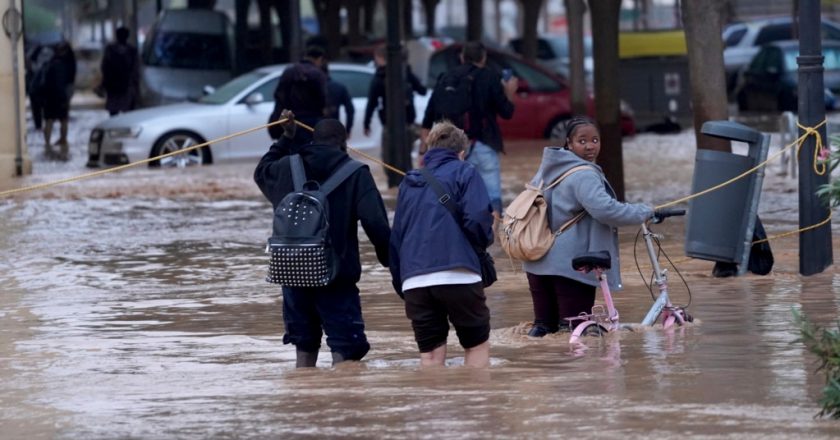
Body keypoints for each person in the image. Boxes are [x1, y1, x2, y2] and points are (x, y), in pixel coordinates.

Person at [254, 116, 391, 367]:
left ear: (313, 140)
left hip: (293, 276)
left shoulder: (285, 167)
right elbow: (377, 224)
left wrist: (286, 138)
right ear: (343, 143)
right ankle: (340, 402)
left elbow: (262, 170)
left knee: (304, 347)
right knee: (346, 351)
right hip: (336, 279)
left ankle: (306, 400)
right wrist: (391, 261)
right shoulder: (356, 173)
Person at [522, 116, 654, 337]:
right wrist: (644, 212)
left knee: (543, 332)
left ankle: (539, 371)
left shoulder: (546, 170)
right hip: (571, 267)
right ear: (569, 144)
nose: (590, 146)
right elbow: (606, 210)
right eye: (582, 141)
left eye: (595, 140)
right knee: (574, 333)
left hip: (536, 262)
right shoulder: (584, 174)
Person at [389, 121, 494, 367]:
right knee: (476, 346)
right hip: (459, 275)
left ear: (428, 149)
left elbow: (397, 237)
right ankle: (479, 404)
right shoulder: (466, 172)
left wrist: (402, 282)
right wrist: (482, 244)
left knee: (431, 357)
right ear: (461, 152)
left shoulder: (409, 181)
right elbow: (478, 220)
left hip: (415, 280)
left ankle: (434, 402)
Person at [421, 41, 517, 219]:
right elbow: (507, 112)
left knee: (456, 195)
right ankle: (494, 238)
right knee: (492, 196)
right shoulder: (490, 77)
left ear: (462, 57)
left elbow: (428, 117)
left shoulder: (446, 77)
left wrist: (424, 150)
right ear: (483, 57)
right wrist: (509, 93)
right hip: (483, 143)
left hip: (451, 148)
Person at [363, 45, 427, 188]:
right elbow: (422, 90)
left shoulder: (380, 76)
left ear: (380, 58)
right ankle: (409, 185)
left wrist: (366, 123)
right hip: (407, 124)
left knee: (389, 159)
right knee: (406, 158)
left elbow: (372, 102)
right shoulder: (406, 74)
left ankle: (395, 185)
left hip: (390, 126)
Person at [266, 47, 327, 142]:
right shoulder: (318, 74)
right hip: (311, 123)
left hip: (290, 121)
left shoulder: (288, 72)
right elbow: (324, 100)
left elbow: (279, 97)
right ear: (319, 59)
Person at [42, 41, 76, 161]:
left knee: (51, 120)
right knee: (62, 119)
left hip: (52, 96)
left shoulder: (53, 63)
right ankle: (59, 140)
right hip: (60, 96)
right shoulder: (69, 63)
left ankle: (48, 143)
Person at [100, 26, 140, 116]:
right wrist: (136, 88)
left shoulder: (110, 49)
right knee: (128, 112)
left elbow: (104, 67)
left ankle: (114, 128)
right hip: (127, 86)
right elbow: (135, 70)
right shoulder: (132, 51)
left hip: (112, 86)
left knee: (113, 112)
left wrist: (105, 82)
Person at [322, 61, 355, 136]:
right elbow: (350, 110)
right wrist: (348, 129)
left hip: (314, 129)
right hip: (334, 128)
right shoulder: (339, 87)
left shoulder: (312, 88)